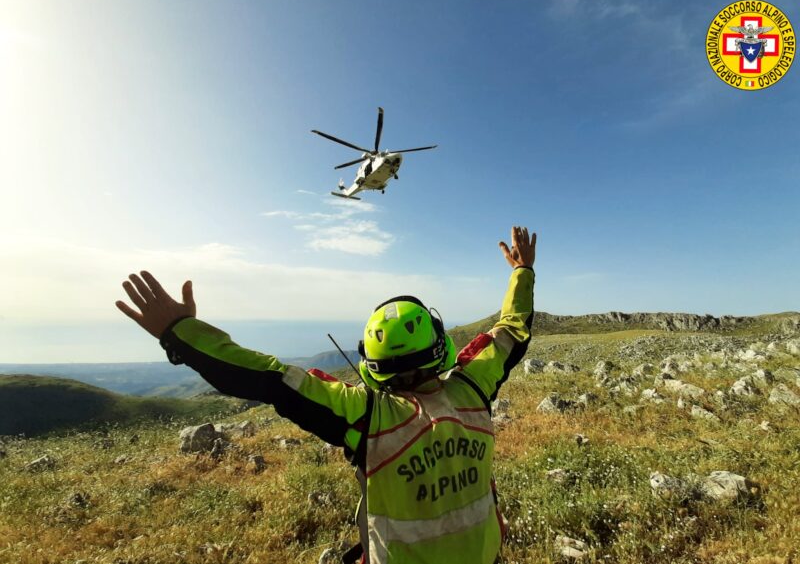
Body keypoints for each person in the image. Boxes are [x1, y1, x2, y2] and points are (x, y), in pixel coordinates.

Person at [116, 226, 536, 564]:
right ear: (438, 345)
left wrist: (181, 334)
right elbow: (511, 329)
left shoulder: (364, 414)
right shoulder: (474, 387)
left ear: (373, 364)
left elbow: (268, 376)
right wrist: (521, 272)